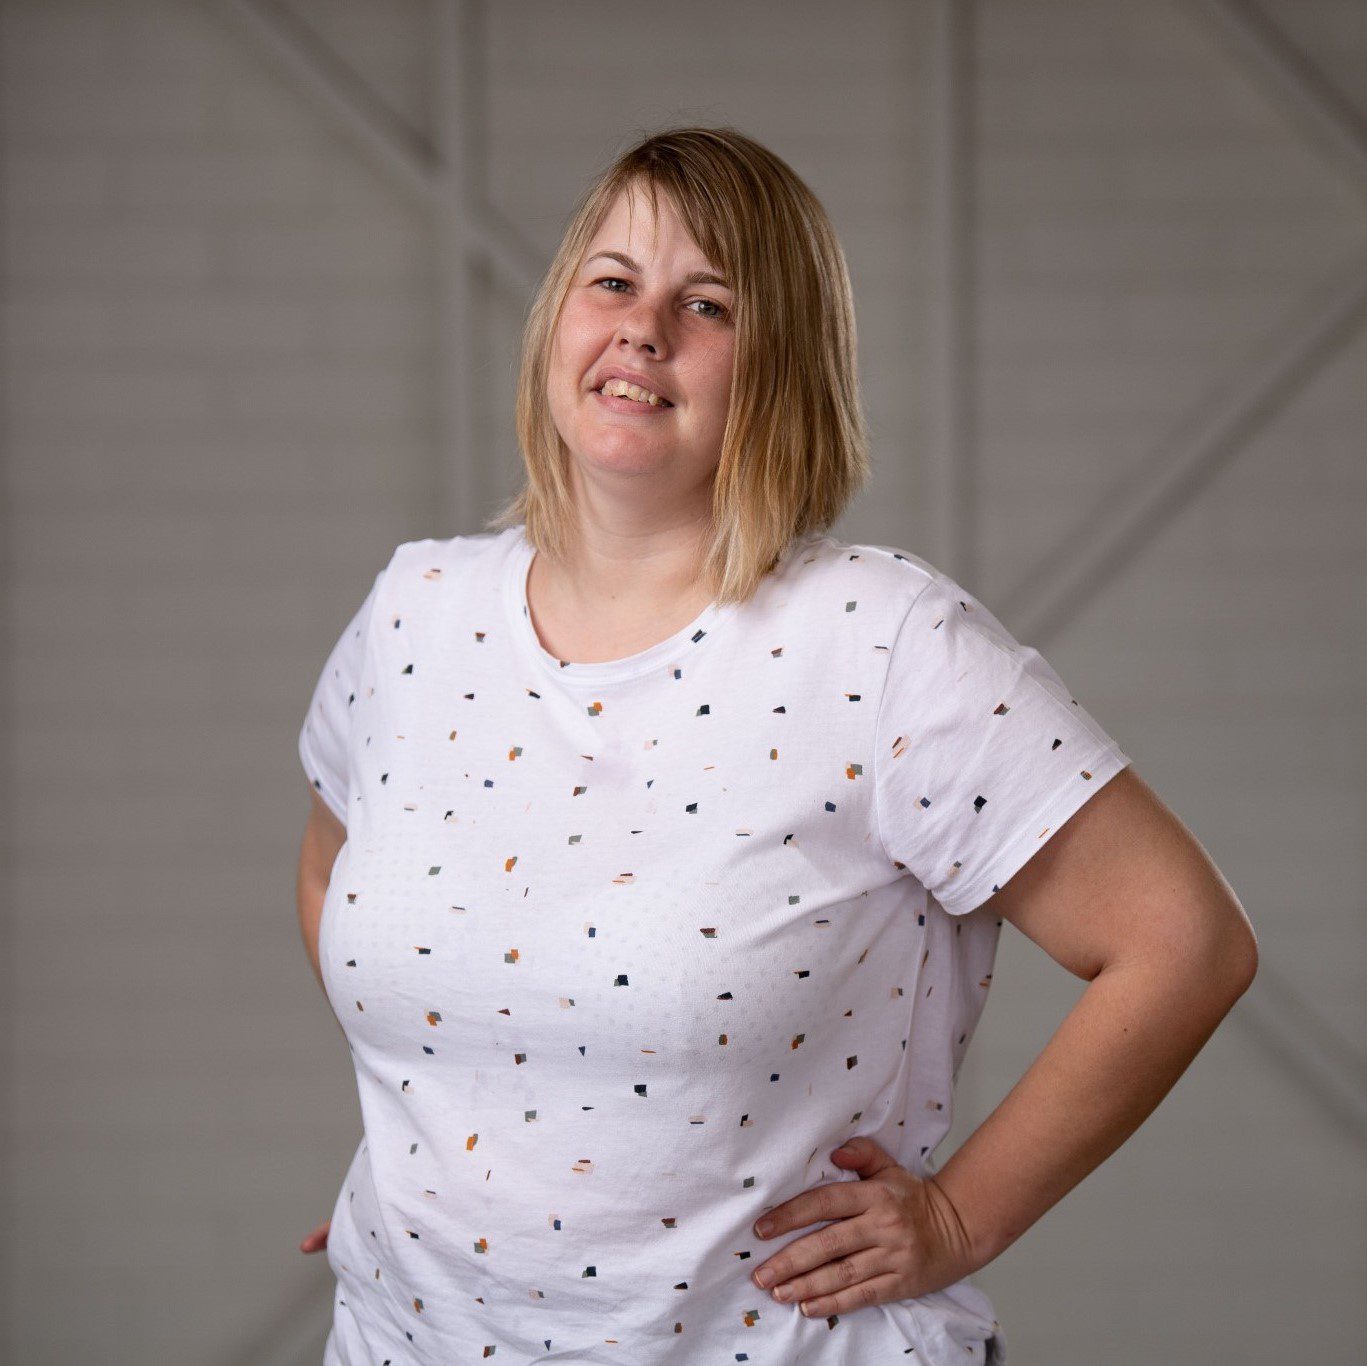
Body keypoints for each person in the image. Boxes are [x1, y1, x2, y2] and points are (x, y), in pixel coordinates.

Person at [294, 126, 1257, 1365]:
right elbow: (332, 872)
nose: (643, 328)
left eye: (706, 304)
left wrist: (956, 1216)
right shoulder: (413, 615)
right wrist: (451, 1175)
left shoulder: (880, 644)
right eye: (611, 281)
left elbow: (1183, 941)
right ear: (555, 323)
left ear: (782, 369)